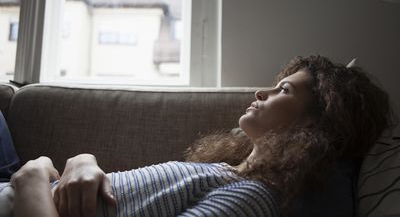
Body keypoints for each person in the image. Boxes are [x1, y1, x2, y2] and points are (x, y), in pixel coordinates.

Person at [8, 55, 395, 217]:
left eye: (284, 91)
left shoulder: (256, 197)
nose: (262, 93)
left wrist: (32, 177)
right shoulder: (230, 176)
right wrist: (76, 162)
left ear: (316, 126)